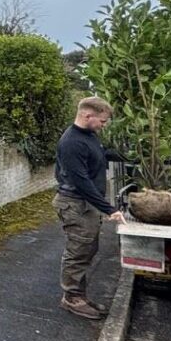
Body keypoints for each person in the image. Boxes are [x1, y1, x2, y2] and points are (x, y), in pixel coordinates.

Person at [54, 96, 123, 320]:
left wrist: (128, 157)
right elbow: (81, 182)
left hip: (85, 205)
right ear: (87, 115)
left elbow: (99, 155)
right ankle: (71, 298)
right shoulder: (71, 142)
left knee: (88, 249)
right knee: (78, 251)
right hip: (75, 204)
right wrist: (110, 208)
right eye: (102, 121)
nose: (104, 126)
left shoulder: (89, 136)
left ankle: (79, 295)